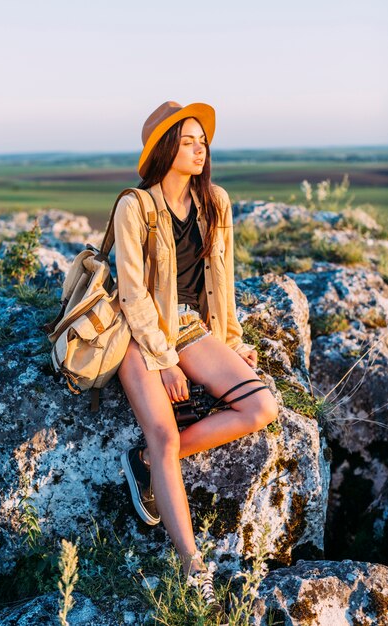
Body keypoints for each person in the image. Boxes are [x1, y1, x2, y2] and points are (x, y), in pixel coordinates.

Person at [114, 101, 278, 623]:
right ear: (165, 149)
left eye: (201, 139)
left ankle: (148, 468)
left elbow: (222, 281)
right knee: (162, 434)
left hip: (187, 326)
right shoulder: (134, 206)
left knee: (261, 408)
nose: (199, 146)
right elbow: (133, 294)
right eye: (187, 139)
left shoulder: (215, 202)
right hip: (136, 333)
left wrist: (230, 340)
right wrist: (163, 361)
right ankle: (192, 569)